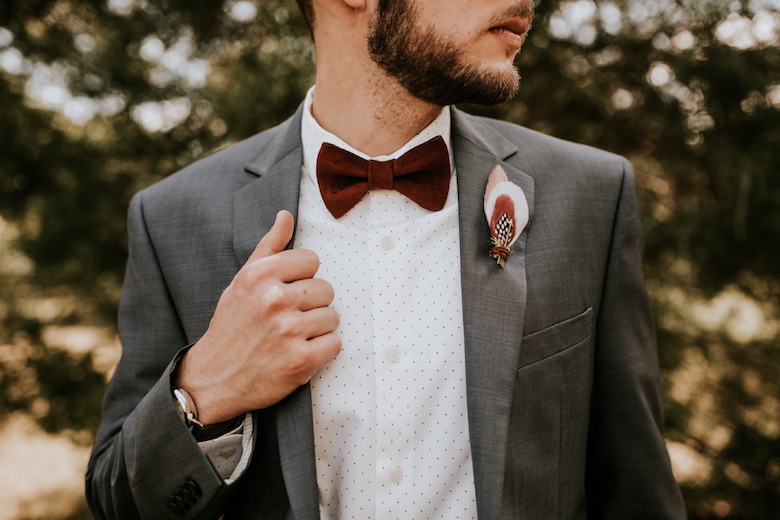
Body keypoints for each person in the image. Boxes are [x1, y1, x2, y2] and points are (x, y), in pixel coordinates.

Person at [86, 0, 686, 518]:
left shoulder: (591, 195)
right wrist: (204, 392)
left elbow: (637, 491)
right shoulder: (173, 218)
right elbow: (120, 503)